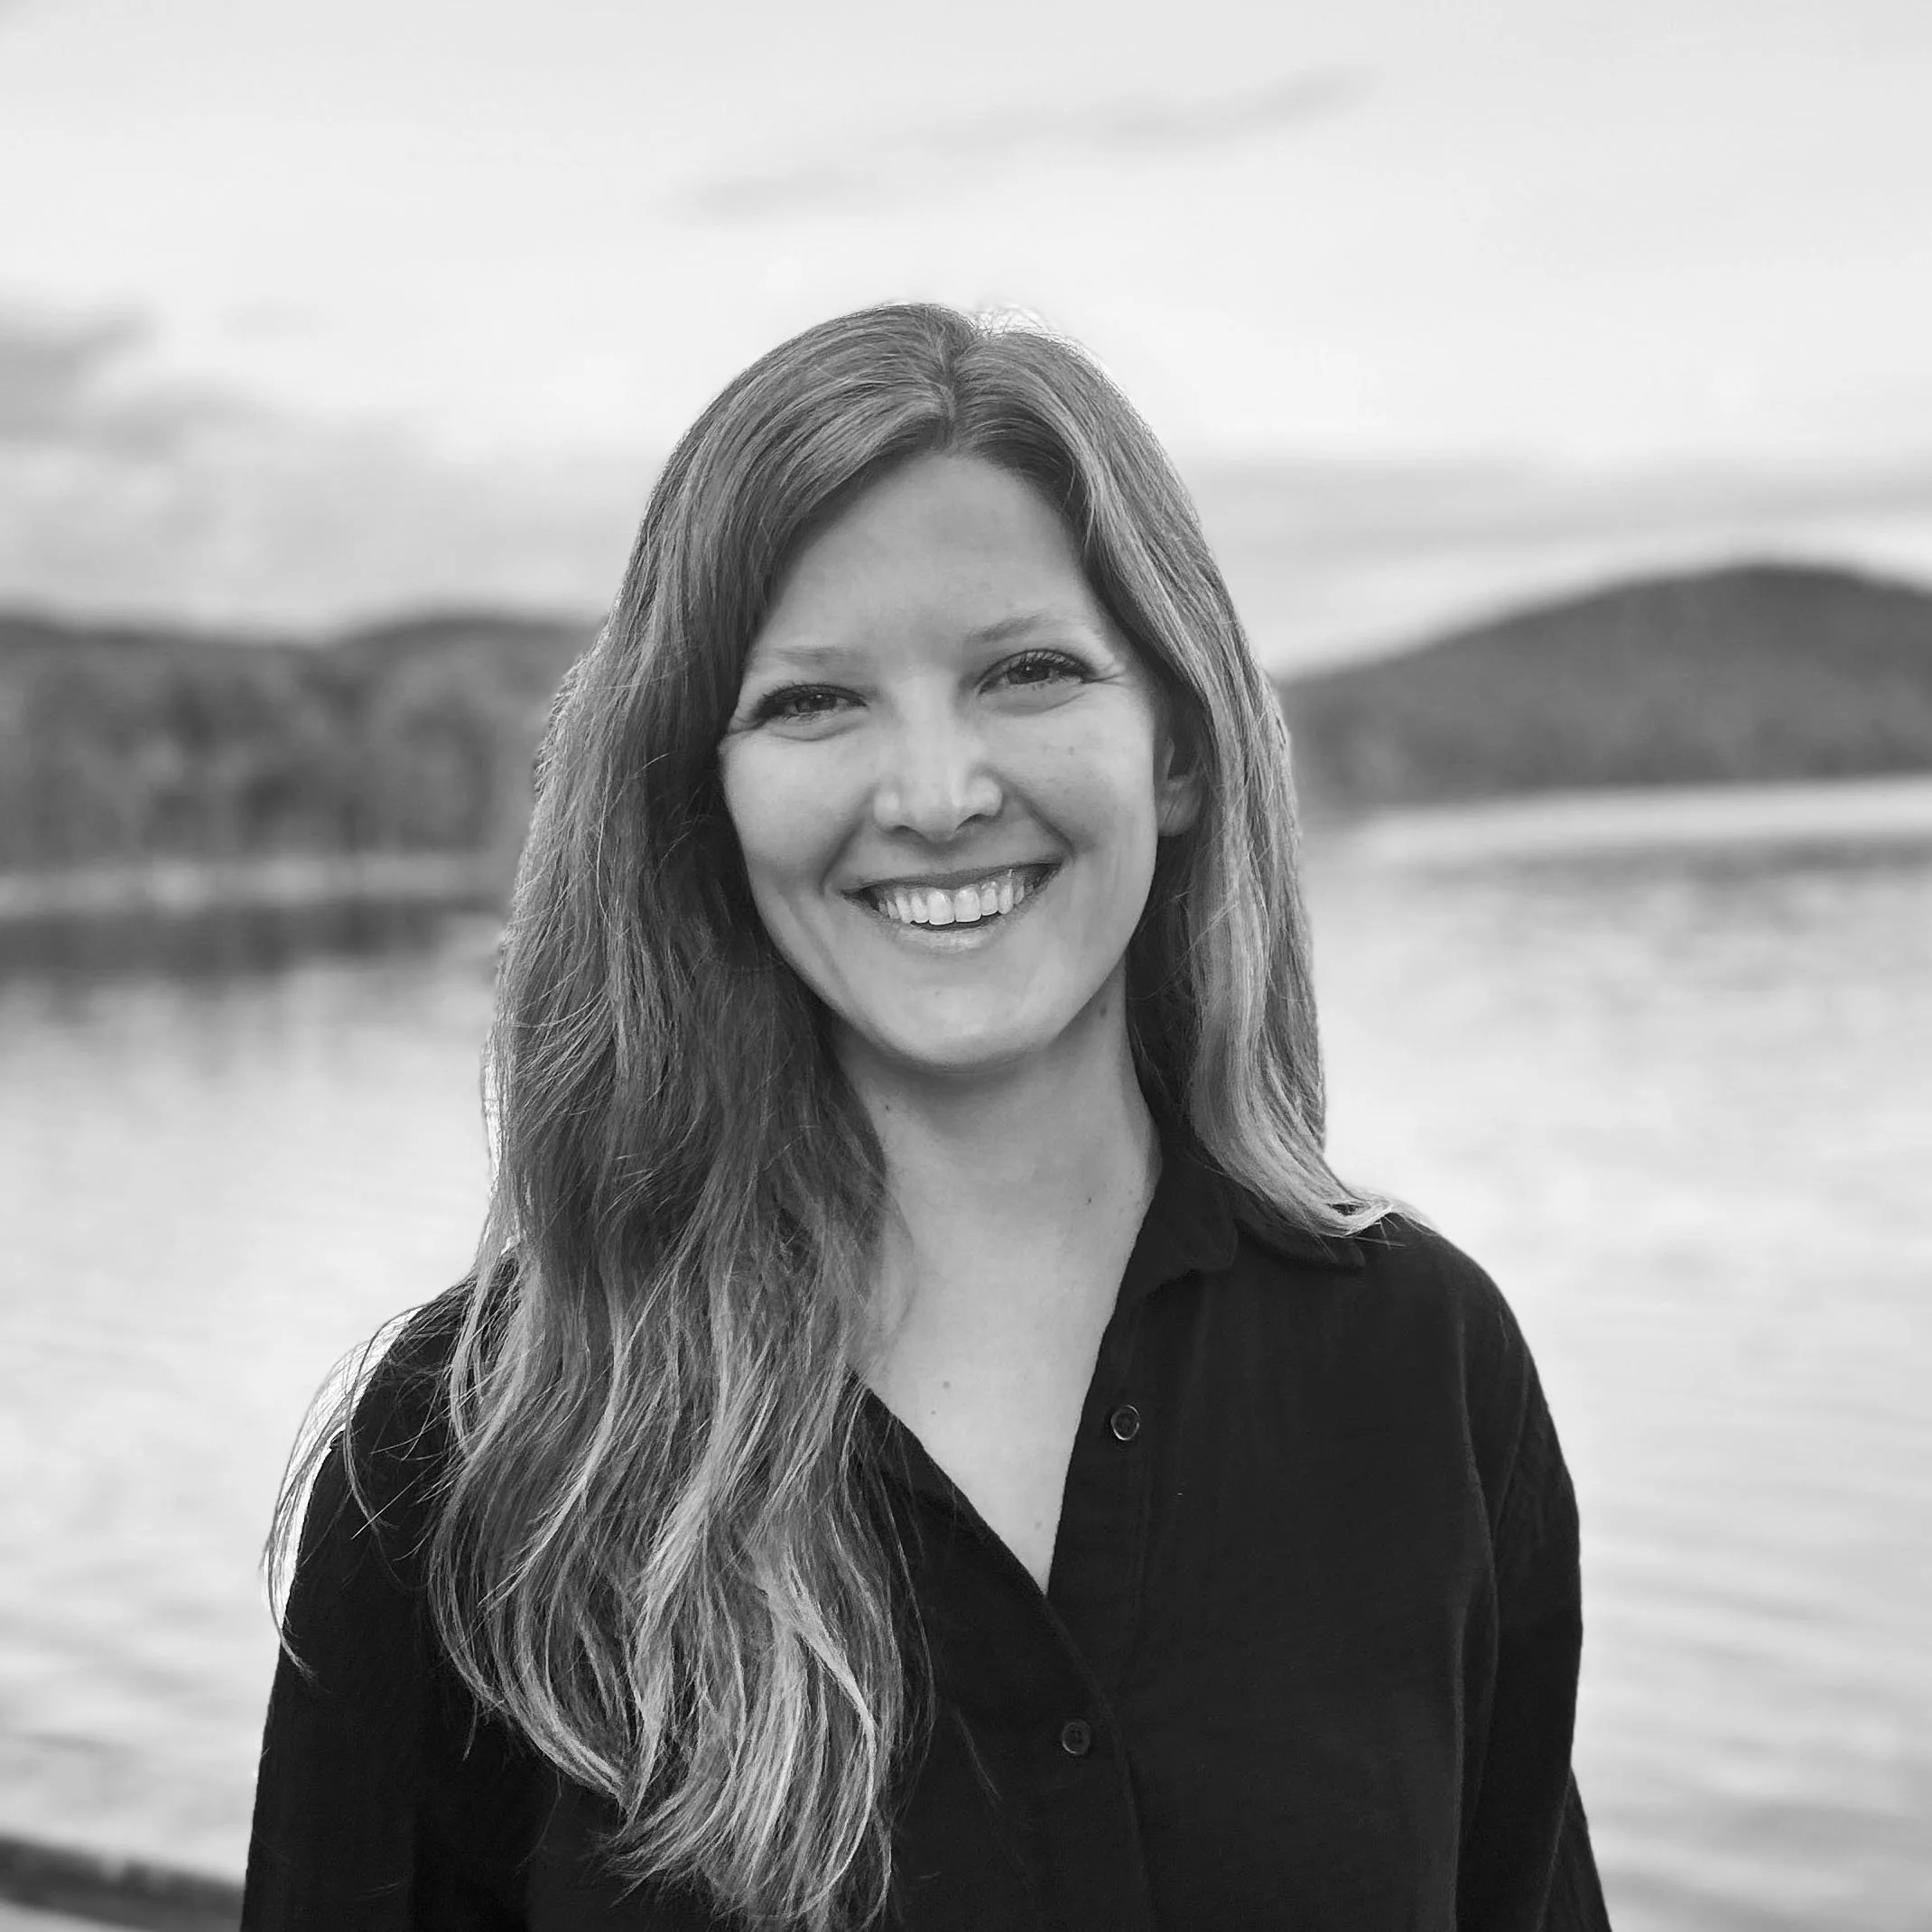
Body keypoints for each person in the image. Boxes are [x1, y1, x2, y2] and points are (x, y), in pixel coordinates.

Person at [242, 302, 1612, 1931]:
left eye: (1028, 672)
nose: (939, 793)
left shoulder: (1422, 1368)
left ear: (1177, 744)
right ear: (705, 790)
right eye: (816, 703)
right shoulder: (467, 1463)